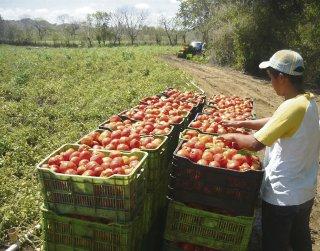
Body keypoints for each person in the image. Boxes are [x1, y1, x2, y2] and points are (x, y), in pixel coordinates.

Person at [221, 50, 320, 251]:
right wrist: (243, 122)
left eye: (271, 77)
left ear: (282, 77)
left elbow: (255, 144)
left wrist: (230, 137)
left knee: (275, 244)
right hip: (303, 192)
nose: (271, 83)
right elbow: (277, 121)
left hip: (282, 196)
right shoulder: (307, 101)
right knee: (300, 241)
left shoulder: (292, 107)